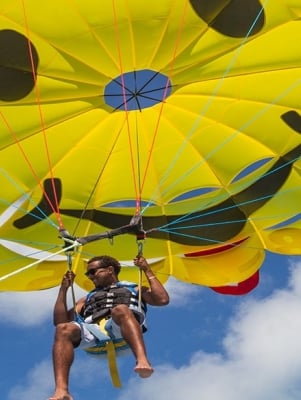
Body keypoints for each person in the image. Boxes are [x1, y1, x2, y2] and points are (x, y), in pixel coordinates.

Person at [48, 254, 169, 400]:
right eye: (88, 273)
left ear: (110, 270)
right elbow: (59, 321)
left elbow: (162, 300)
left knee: (121, 309)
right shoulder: (85, 299)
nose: (90, 276)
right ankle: (62, 390)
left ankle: (142, 360)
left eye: (93, 271)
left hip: (123, 335)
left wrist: (146, 270)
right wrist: (64, 289)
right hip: (94, 337)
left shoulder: (135, 289)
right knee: (63, 329)